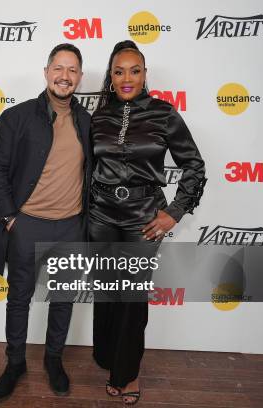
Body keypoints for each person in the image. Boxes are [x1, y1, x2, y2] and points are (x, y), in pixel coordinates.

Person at [89, 40, 206, 405]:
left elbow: (194, 166)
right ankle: (108, 358)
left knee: (133, 296)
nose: (127, 78)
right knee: (107, 291)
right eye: (119, 71)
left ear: (144, 75)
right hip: (101, 214)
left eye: (134, 71)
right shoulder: (97, 116)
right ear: (110, 76)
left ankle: (128, 373)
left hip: (143, 216)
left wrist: (175, 211)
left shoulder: (164, 113)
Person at [0, 43, 93, 401]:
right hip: (26, 224)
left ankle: (54, 360)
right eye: (58, 68)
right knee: (19, 298)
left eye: (72, 70)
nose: (65, 76)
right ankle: (15, 363)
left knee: (63, 298)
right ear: (46, 72)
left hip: (71, 226)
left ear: (79, 77)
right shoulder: (18, 117)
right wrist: (11, 216)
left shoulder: (87, 122)